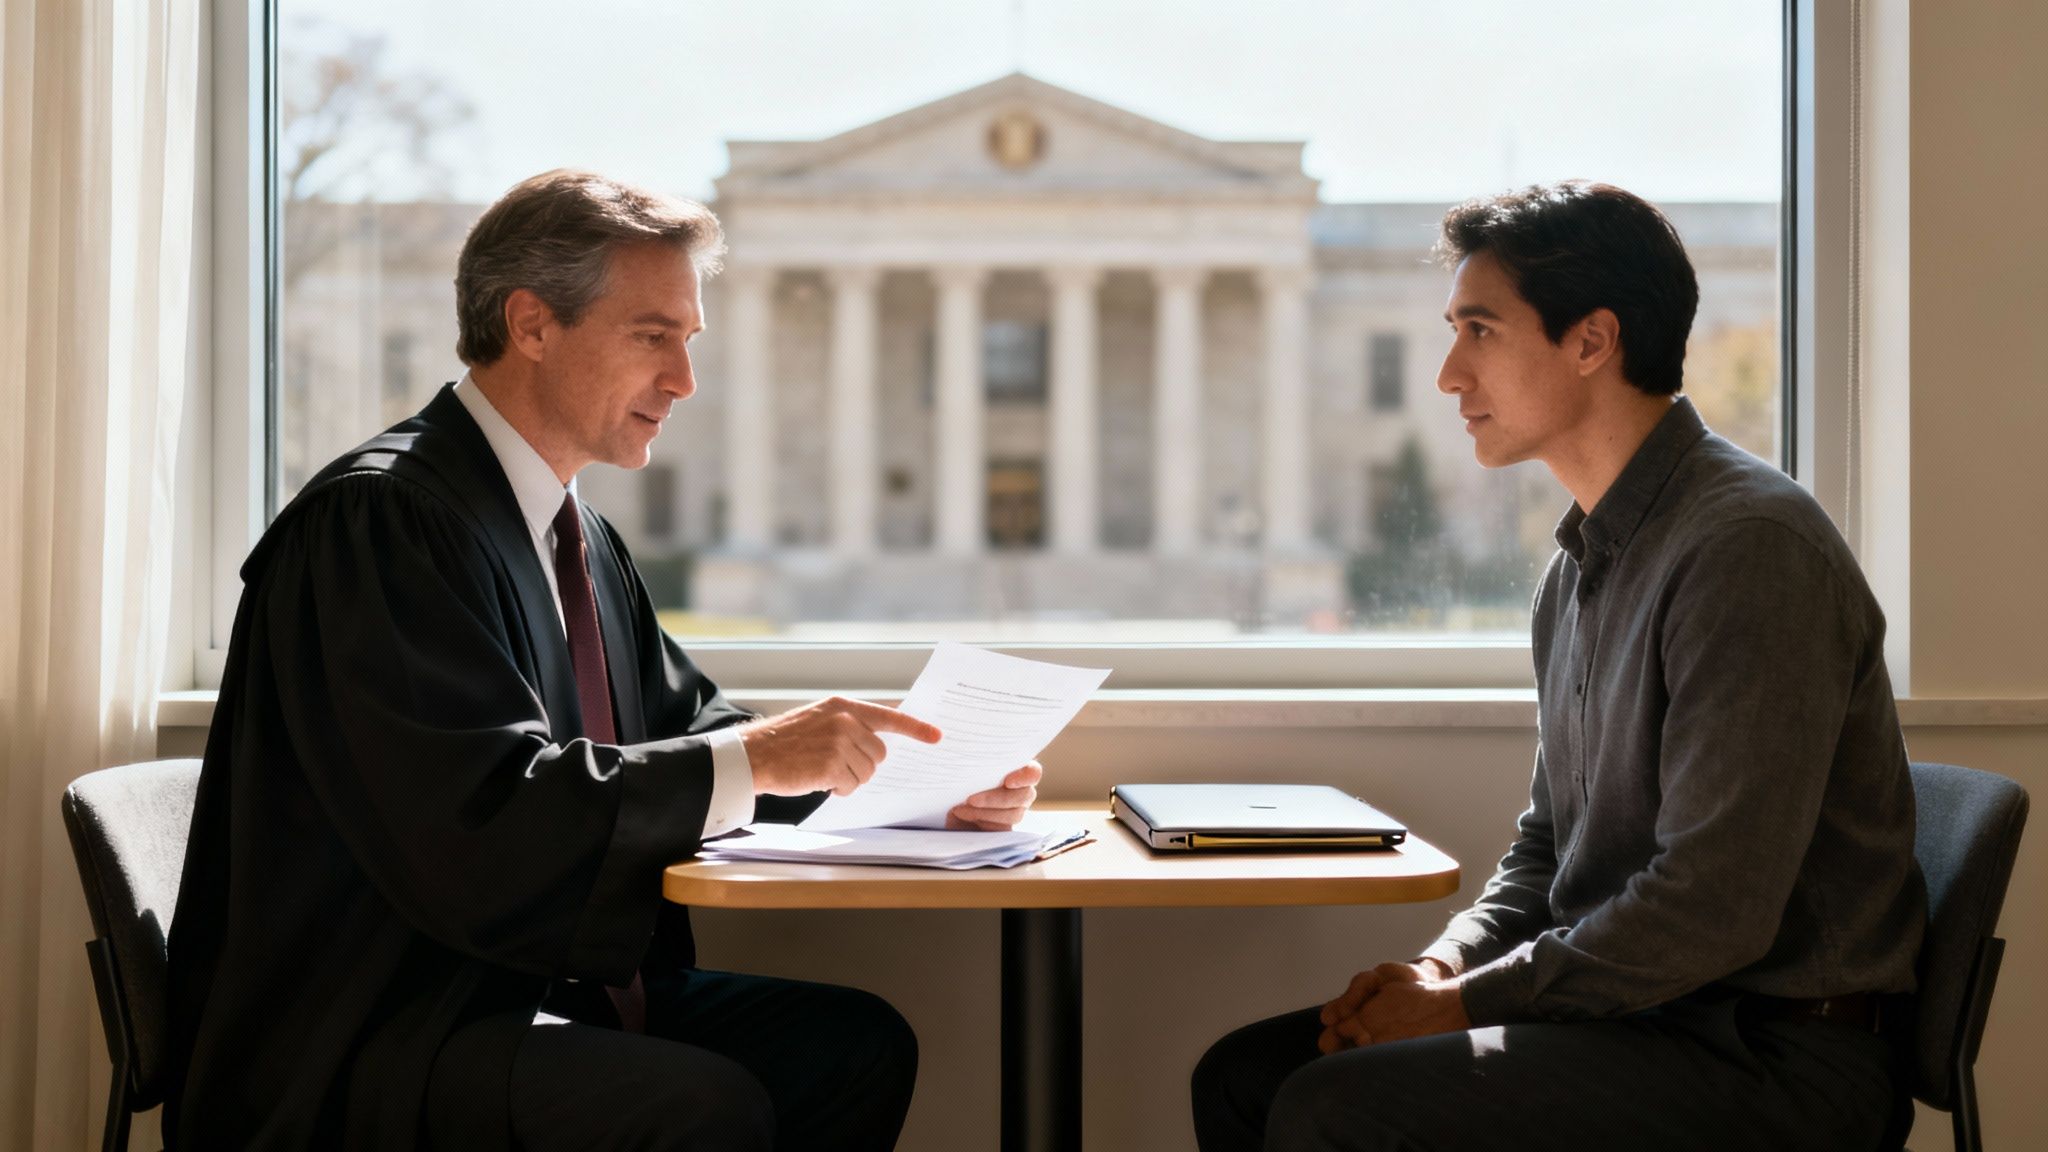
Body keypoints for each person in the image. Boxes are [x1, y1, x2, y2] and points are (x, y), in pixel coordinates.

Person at [166, 168, 1043, 1151]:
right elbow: (484, 819)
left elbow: (691, 735)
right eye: (651, 335)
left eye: (688, 340)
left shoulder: (572, 534)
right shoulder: (381, 523)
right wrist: (760, 759)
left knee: (851, 1047)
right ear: (531, 324)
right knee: (699, 1107)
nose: (683, 381)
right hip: (376, 1032)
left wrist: (896, 777)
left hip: (518, 996)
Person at [1191, 182, 1925, 1152]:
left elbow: (1713, 909)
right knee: (1247, 1078)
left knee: (1332, 1107)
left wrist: (1465, 1006)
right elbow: (1546, 849)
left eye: (1479, 331)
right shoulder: (1579, 564)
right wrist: (1442, 972)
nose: (1448, 375)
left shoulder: (1746, 547)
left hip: (1768, 1054)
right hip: (1643, 1017)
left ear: (1590, 342)